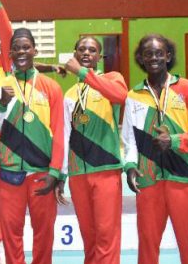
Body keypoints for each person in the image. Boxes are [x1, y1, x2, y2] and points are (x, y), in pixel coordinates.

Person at [122, 34, 188, 264]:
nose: (154, 58)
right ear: (141, 58)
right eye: (148, 54)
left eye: (159, 53)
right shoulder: (134, 95)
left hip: (182, 178)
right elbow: (130, 138)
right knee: (147, 245)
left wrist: (174, 140)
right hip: (148, 179)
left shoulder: (187, 88)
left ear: (168, 56)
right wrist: (130, 166)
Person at [0, 28, 65, 264]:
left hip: (41, 173)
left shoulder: (51, 87)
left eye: (26, 47)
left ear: (34, 50)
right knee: (11, 234)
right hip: (9, 173)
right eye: (16, 47)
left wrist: (56, 172)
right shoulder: (0, 87)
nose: (21, 51)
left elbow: (60, 132)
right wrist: (1, 104)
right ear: (9, 53)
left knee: (44, 233)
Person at [57, 36, 128, 264]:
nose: (86, 53)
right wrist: (62, 173)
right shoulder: (69, 95)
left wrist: (82, 73)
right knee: (89, 235)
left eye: (92, 50)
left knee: (107, 234)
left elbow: (120, 96)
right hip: (78, 174)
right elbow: (65, 135)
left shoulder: (112, 79)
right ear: (75, 53)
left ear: (100, 56)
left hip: (106, 169)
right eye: (82, 49)